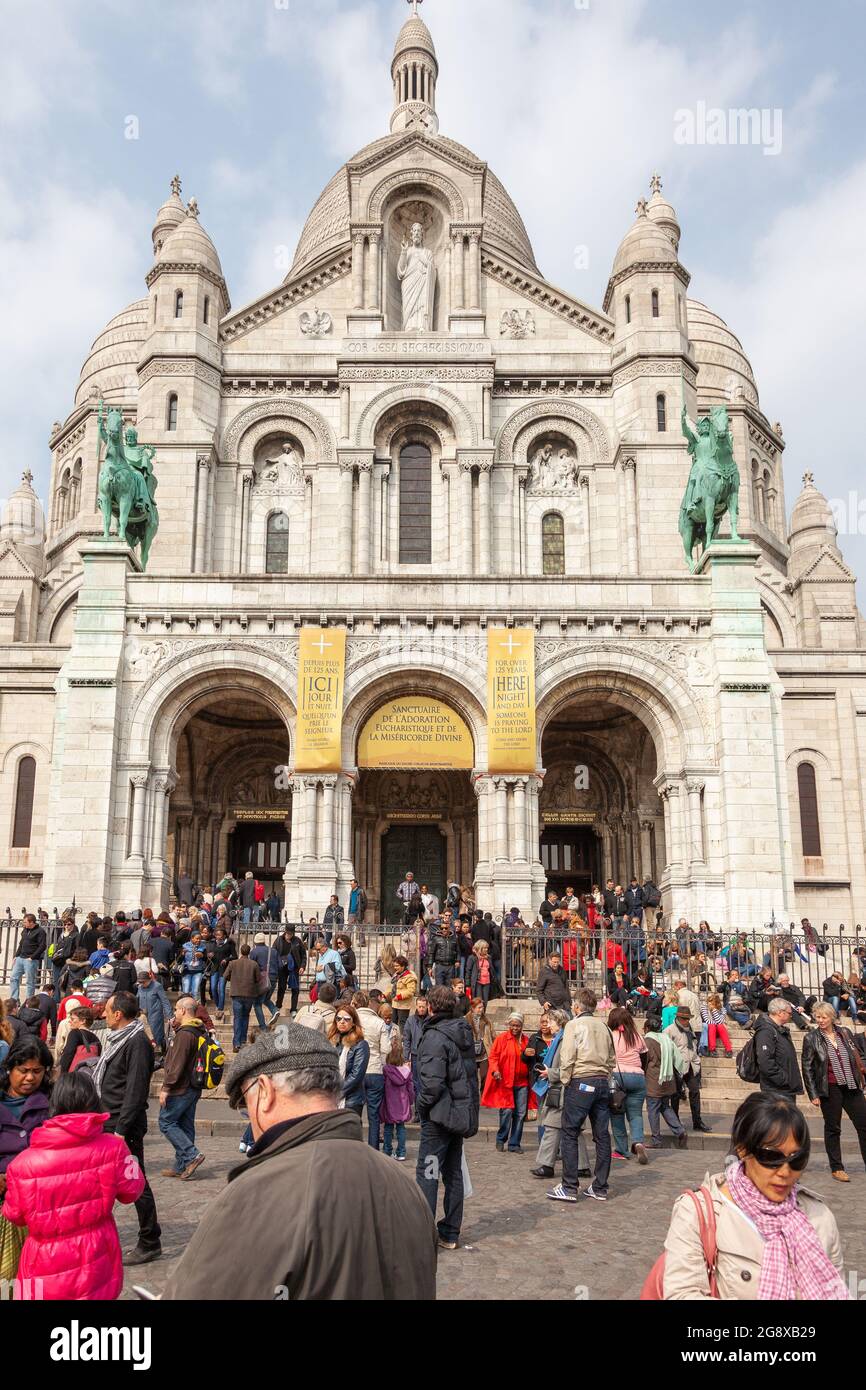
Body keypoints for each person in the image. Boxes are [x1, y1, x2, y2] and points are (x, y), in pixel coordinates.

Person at [160, 1025, 437, 1300]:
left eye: (246, 1103)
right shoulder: (406, 1185)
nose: (251, 1120)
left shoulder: (257, 1192)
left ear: (265, 1091)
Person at [659, 1093, 847, 1300]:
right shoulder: (698, 1212)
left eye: (796, 1158)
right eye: (771, 1157)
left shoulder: (820, 1217)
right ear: (742, 1149)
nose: (785, 1172)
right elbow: (681, 1294)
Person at [2, 1069, 145, 1300]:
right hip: (97, 1255)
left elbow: (15, 1214)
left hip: (44, 1261)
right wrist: (132, 1158)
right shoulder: (115, 1148)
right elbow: (132, 1191)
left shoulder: (22, 1164)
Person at [92, 992, 162, 1267]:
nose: (104, 1014)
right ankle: (96, 1235)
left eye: (108, 1010)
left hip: (125, 1127)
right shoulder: (118, 1040)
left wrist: (121, 1130)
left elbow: (135, 1089)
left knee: (136, 1182)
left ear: (118, 1014)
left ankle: (150, 1240)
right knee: (103, 1183)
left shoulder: (137, 1043)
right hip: (109, 1122)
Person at [415, 985, 479, 1251]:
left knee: (428, 1173)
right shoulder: (462, 1031)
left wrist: (421, 1106)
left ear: (430, 1006)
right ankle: (450, 1232)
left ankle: (424, 1233)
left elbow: (432, 1083)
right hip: (458, 1113)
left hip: (439, 1116)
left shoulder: (435, 1037)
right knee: (452, 1173)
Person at [547, 988, 615, 1203]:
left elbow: (568, 1057)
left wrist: (566, 1080)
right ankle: (600, 1186)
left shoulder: (574, 1025)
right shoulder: (604, 1027)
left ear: (577, 1007)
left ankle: (569, 1186)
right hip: (602, 1080)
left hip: (581, 1080)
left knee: (569, 1132)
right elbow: (612, 1058)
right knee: (602, 1135)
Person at [0, 1038, 53, 1283]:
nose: (30, 1078)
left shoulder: (52, 1106)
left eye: (37, 1071)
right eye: (23, 1071)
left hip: (39, 1208)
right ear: (10, 1068)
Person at [802, 1001, 866, 1182]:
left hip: (852, 1085)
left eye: (824, 1017)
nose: (820, 1020)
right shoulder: (811, 1038)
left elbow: (857, 1055)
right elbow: (807, 1067)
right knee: (833, 1128)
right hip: (829, 1087)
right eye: (818, 1017)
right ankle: (837, 1167)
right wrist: (813, 1093)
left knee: (864, 1124)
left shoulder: (844, 1032)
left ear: (832, 1017)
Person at [530, 1008, 587, 1179]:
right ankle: (581, 1166)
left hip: (561, 1089)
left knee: (552, 1126)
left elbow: (567, 1066)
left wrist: (550, 1073)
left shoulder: (563, 1039)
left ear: (559, 1022)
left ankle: (547, 1165)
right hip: (565, 1088)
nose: (549, 1025)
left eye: (551, 1021)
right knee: (570, 1129)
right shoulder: (562, 1038)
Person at [158, 995, 207, 1180]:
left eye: (177, 1009)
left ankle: (191, 1155)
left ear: (184, 1011)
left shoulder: (185, 1034)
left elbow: (177, 1064)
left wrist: (166, 1088)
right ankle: (181, 1165)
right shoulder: (198, 1030)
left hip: (181, 1087)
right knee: (185, 1125)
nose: (175, 1012)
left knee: (166, 1122)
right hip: (193, 1085)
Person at [482, 1012, 535, 1154]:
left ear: (522, 1026)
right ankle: (501, 1138)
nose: (515, 1028)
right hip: (505, 1081)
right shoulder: (501, 1039)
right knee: (506, 1111)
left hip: (522, 1082)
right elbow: (493, 1057)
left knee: (520, 1113)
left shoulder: (526, 1041)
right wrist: (495, 1070)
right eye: (512, 1025)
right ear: (509, 1025)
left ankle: (514, 1143)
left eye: (518, 1025)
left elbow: (530, 1059)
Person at [607, 1005, 649, 1163]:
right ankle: (638, 1142)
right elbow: (645, 1058)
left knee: (617, 1114)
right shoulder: (637, 1036)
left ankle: (621, 1150)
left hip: (617, 1077)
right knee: (636, 1114)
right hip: (637, 1077)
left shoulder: (611, 1035)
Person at [643, 1013, 688, 1148]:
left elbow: (644, 1062)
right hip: (668, 1079)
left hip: (653, 1081)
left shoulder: (648, 1041)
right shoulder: (667, 1040)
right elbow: (678, 1060)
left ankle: (656, 1140)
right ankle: (680, 1131)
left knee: (653, 1110)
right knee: (665, 1107)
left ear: (647, 1028)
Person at [352, 991, 390, 1148]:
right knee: (374, 1115)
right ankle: (373, 1149)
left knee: (355, 1113)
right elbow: (387, 1048)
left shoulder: (353, 1021)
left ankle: (355, 1147)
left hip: (357, 1071)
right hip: (375, 1070)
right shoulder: (379, 1022)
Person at [666, 1005, 711, 1133]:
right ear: (678, 1018)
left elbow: (694, 1045)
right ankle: (675, 1122)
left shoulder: (689, 1029)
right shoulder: (669, 1030)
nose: (686, 1021)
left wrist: (697, 1060)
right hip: (678, 1066)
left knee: (695, 1092)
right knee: (675, 1095)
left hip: (692, 1064)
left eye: (687, 1018)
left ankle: (697, 1121)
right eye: (684, 1019)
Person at [754, 998, 804, 1103]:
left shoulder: (778, 1030)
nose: (791, 1016)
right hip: (776, 1090)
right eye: (790, 1013)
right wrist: (783, 1079)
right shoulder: (766, 1031)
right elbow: (765, 1061)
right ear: (780, 1013)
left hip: (784, 1089)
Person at [328, 1004, 369, 1114]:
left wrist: (338, 1093)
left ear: (353, 1023)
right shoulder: (332, 1042)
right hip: (330, 1097)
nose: (342, 1022)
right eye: (338, 1018)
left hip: (351, 1100)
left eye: (346, 1019)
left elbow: (356, 1075)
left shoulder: (360, 1045)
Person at [224, 944, 263, 1053]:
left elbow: (225, 975)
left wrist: (234, 979)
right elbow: (258, 979)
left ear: (241, 951)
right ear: (249, 952)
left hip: (236, 993)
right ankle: (242, 1041)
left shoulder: (233, 963)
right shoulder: (254, 964)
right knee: (245, 1017)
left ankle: (236, 1044)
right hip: (249, 994)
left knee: (237, 1018)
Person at [382, 1034, 414, 1160]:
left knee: (388, 1128)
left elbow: (382, 1087)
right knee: (401, 1128)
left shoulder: (385, 1071)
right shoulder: (407, 1071)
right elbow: (410, 1088)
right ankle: (401, 1152)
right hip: (403, 1102)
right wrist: (411, 1100)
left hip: (389, 1102)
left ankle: (387, 1151)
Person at [8, 913, 46, 1004]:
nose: (23, 923)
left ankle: (29, 1002)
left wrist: (32, 957)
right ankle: (14, 999)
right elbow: (21, 944)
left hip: (31, 960)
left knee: (30, 982)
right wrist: (16, 956)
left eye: (25, 922)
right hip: (20, 958)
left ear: (31, 922)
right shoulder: (25, 930)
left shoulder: (40, 931)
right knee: (13, 977)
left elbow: (42, 946)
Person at [57, 1004, 102, 1073]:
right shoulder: (96, 1038)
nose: (70, 1021)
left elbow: (68, 1054)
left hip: (74, 1076)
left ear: (83, 1021)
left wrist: (62, 1074)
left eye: (72, 1019)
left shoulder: (75, 1033)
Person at [403, 995, 428, 1115]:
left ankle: (425, 1111)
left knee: (426, 1084)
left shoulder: (430, 1019)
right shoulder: (411, 1020)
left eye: (424, 1007)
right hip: (415, 1055)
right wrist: (405, 1057)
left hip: (428, 1055)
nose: (422, 1009)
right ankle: (418, 1112)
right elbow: (407, 1039)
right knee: (416, 1084)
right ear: (416, 1007)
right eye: (420, 1007)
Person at [250, 933, 280, 1029]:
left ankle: (263, 1026)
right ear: (264, 941)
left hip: (262, 980)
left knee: (257, 1003)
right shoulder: (274, 951)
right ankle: (274, 1010)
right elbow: (280, 965)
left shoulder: (254, 952)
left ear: (255, 942)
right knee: (266, 999)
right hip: (273, 978)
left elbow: (252, 967)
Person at [275, 925, 306, 1014]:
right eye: (288, 933)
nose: (289, 935)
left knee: (295, 988)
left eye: (291, 934)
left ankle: (293, 1009)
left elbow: (303, 955)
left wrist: (302, 966)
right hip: (282, 968)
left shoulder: (297, 940)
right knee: (281, 987)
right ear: (285, 932)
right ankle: (278, 1006)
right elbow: (274, 952)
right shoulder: (279, 940)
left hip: (294, 968)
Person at [427, 915, 460, 987]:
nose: (444, 929)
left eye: (446, 928)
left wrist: (457, 960)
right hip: (439, 965)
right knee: (439, 987)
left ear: (449, 929)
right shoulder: (436, 939)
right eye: (442, 928)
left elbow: (458, 951)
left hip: (450, 966)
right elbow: (431, 953)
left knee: (449, 987)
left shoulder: (454, 939)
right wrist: (429, 967)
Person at [700, 993, 733, 1058]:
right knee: (712, 1025)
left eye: (712, 1003)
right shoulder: (704, 1007)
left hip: (719, 1030)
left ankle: (729, 1050)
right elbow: (707, 1020)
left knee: (720, 1026)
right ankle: (712, 1049)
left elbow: (720, 1022)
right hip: (710, 1030)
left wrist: (714, 1010)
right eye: (709, 1002)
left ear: (717, 1004)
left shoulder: (723, 1010)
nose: (709, 1004)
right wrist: (715, 1023)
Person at [391, 955, 418, 1030]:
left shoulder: (409, 977)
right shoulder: (396, 975)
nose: (395, 968)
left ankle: (403, 1039)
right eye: (394, 966)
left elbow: (411, 991)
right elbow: (392, 987)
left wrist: (399, 996)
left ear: (403, 966)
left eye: (397, 966)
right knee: (393, 1023)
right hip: (395, 1003)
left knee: (402, 1023)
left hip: (404, 1005)